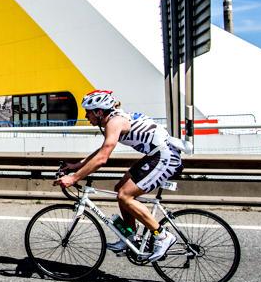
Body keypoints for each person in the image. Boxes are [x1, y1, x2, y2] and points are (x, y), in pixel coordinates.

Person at [54, 90, 186, 262]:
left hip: (165, 157)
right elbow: (102, 150)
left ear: (99, 112)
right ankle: (130, 237)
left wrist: (73, 178)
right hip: (155, 155)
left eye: (88, 111)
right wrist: (76, 166)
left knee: (125, 195)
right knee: (119, 190)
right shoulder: (113, 120)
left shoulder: (114, 122)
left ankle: (161, 235)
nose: (86, 116)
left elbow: (102, 159)